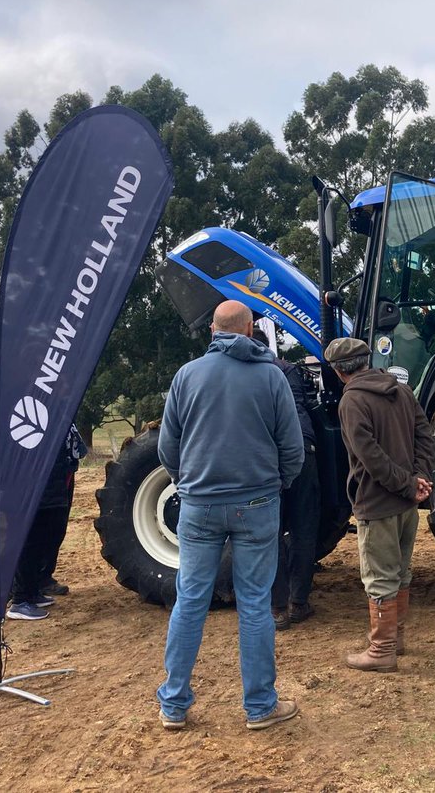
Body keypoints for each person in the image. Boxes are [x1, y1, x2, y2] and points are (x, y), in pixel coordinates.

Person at [156, 301, 304, 731]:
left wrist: (188, 481)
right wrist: (278, 485)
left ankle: (174, 705)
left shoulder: (187, 376)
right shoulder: (272, 376)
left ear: (213, 332)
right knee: (256, 604)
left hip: (199, 505)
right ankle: (260, 708)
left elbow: (169, 447)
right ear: (251, 329)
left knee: (190, 602)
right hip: (257, 504)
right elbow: (292, 449)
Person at [324, 336, 434, 673]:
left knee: (379, 578)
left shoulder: (352, 402)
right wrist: (418, 479)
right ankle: (396, 639)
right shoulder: (401, 391)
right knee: (401, 572)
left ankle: (382, 650)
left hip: (378, 503)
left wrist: (404, 483)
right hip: (407, 505)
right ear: (366, 360)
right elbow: (424, 435)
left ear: (338, 371)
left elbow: (368, 457)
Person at [252, 329, 320, 630]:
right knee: (305, 528)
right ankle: (298, 602)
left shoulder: (246, 375)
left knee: (271, 533)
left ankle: (277, 608)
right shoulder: (289, 369)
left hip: (266, 460)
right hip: (303, 452)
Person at [7, 425, 88, 620]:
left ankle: (32, 591)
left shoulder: (60, 414)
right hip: (38, 487)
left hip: (55, 484)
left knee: (45, 540)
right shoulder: (41, 413)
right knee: (31, 542)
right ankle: (19, 600)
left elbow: (79, 449)